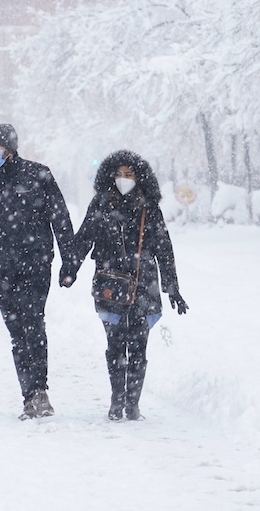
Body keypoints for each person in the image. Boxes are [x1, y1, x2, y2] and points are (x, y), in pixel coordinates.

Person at [61, 149, 188, 421]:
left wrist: (172, 287)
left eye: (128, 174)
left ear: (139, 177)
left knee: (139, 346)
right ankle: (116, 401)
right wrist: (69, 269)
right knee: (115, 345)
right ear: (109, 176)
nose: (123, 179)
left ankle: (133, 404)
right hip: (110, 285)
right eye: (118, 174)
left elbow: (164, 248)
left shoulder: (149, 207)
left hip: (144, 284)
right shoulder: (100, 204)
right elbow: (84, 238)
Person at [0, 123, 75, 420]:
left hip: (35, 265)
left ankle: (39, 392)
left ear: (10, 147)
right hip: (1, 268)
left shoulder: (38, 175)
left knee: (33, 324)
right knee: (17, 332)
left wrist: (69, 261)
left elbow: (60, 218)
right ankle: (29, 395)